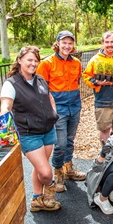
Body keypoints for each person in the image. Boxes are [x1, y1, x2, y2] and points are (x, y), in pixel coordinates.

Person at [0, 46, 60, 212]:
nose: (33, 63)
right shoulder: (11, 84)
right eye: (29, 60)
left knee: (40, 166)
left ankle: (37, 199)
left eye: (36, 60)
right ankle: (50, 189)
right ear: (19, 60)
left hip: (47, 130)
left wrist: (53, 112)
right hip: (29, 134)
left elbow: (49, 97)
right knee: (46, 172)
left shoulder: (39, 80)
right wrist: (1, 125)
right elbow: (5, 106)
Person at [36, 30, 85, 193]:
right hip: (58, 109)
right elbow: (40, 88)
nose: (67, 46)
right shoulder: (47, 63)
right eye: (64, 42)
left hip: (74, 105)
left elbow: (77, 81)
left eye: (70, 43)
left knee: (70, 140)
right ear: (57, 44)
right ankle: (57, 173)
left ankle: (68, 168)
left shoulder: (76, 62)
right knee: (60, 143)